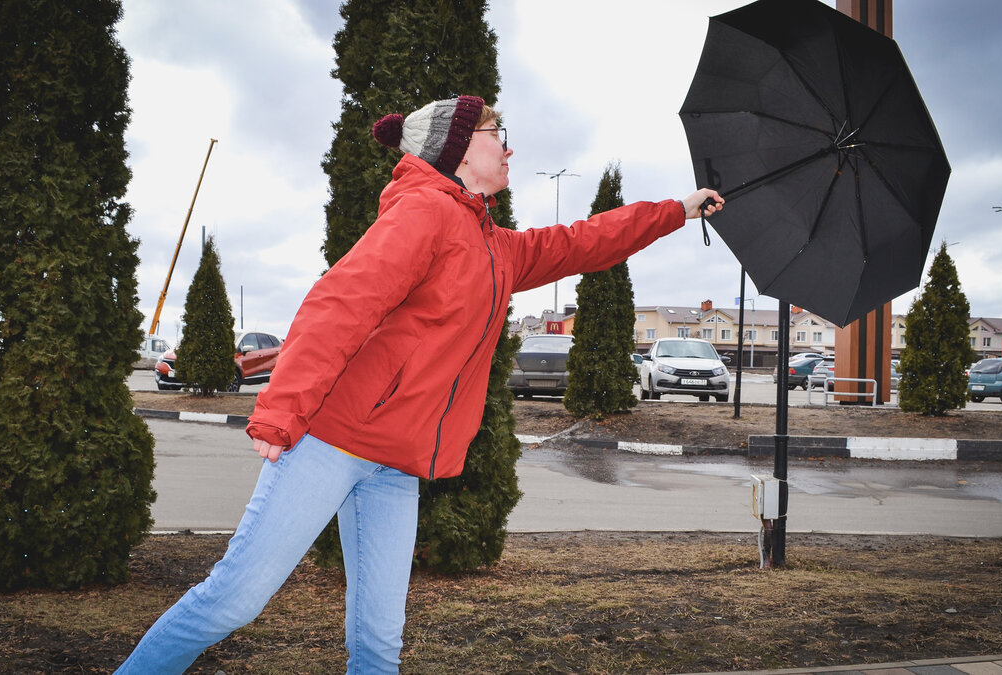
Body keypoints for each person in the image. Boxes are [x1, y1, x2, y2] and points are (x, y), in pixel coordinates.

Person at [116, 95, 723, 674]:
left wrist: (677, 210)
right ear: (459, 148)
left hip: (394, 465)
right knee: (232, 601)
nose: (508, 149)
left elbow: (579, 242)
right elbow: (339, 304)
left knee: (380, 637)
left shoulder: (493, 244)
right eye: (497, 135)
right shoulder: (426, 212)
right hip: (331, 440)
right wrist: (280, 410)